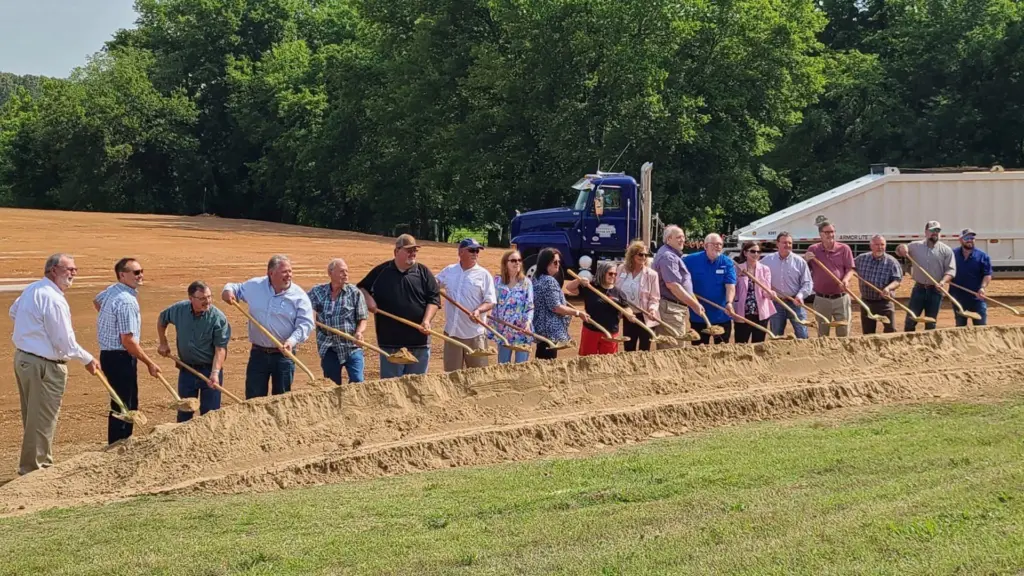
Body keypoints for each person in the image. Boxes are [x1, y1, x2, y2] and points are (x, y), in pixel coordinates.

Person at [10, 254, 100, 475]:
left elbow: (14, 312)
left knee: (33, 417)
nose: (73, 273)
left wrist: (33, 331)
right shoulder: (53, 298)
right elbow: (64, 341)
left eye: (75, 270)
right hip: (43, 365)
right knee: (42, 418)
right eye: (68, 269)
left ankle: (36, 464)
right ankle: (36, 469)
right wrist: (87, 358)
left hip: (25, 359)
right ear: (52, 270)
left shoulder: (33, 289)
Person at [221, 255, 314, 398]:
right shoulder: (255, 286)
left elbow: (306, 324)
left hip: (284, 356)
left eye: (290, 271)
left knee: (281, 400)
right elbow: (235, 287)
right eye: (284, 272)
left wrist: (291, 341)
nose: (289, 275)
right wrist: (228, 291)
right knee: (253, 399)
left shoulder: (299, 296)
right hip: (258, 354)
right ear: (271, 273)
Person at [94, 257, 161, 444]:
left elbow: (97, 301)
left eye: (141, 271)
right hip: (121, 357)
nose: (141, 276)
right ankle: (120, 443)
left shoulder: (113, 290)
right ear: (122, 275)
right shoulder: (127, 302)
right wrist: (149, 363)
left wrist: (109, 322)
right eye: (136, 272)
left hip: (108, 354)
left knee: (119, 401)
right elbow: (128, 341)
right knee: (126, 405)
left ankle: (117, 443)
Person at [357, 234, 440, 378]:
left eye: (415, 250)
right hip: (391, 343)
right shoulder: (381, 271)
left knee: (417, 387)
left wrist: (426, 320)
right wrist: (368, 300)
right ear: (396, 252)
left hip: (419, 341)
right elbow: (361, 288)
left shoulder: (424, 272)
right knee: (391, 387)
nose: (412, 253)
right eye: (408, 250)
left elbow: (434, 299)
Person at [156, 281, 231, 420]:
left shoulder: (218, 318)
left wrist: (215, 373)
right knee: (184, 413)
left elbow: (220, 349)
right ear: (191, 298)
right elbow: (162, 319)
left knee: (210, 415)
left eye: (209, 297)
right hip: (186, 371)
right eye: (202, 298)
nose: (207, 301)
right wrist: (163, 343)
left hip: (209, 371)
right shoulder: (179, 310)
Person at [436, 238, 497, 372]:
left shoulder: (484, 275)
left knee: (478, 375)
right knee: (451, 376)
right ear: (460, 252)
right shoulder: (449, 271)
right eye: (471, 250)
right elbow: (434, 284)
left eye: (477, 250)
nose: (475, 253)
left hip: (475, 335)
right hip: (453, 333)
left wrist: (478, 310)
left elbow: (490, 301)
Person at [308, 258, 369, 385]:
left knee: (358, 381)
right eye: (341, 271)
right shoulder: (318, 292)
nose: (346, 274)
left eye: (347, 271)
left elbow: (363, 318)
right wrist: (311, 316)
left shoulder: (355, 293)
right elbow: (303, 306)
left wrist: (359, 332)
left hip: (351, 345)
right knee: (332, 384)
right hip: (329, 346)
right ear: (330, 273)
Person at [895, 220, 955, 331]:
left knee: (931, 323)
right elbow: (898, 250)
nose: (935, 233)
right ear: (926, 232)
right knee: (910, 320)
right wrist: (901, 247)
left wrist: (942, 281)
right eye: (932, 230)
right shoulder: (915, 246)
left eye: (937, 230)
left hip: (936, 291)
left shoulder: (946, 250)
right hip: (919, 289)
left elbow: (951, 271)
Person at [531, 248, 590, 359]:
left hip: (541, 328)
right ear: (546, 263)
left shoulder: (536, 278)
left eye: (559, 262)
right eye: (555, 262)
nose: (558, 264)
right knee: (548, 364)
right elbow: (556, 307)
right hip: (550, 332)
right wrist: (578, 312)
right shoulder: (549, 281)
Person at [650, 225, 703, 348]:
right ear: (668, 239)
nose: (682, 240)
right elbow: (673, 285)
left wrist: (692, 299)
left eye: (683, 237)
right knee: (673, 348)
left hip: (673, 309)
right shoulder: (668, 257)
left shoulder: (671, 255)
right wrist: (694, 305)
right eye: (678, 237)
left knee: (675, 346)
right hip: (670, 310)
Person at [566, 261, 630, 356]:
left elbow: (626, 308)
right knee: (587, 360)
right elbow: (569, 288)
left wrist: (629, 314)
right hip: (591, 330)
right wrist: (579, 280)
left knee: (608, 362)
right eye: (610, 273)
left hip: (610, 333)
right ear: (602, 273)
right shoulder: (590, 287)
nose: (613, 276)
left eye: (615, 274)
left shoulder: (618, 293)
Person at [683, 233, 736, 345]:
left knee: (722, 350)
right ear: (705, 246)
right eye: (714, 244)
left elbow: (730, 285)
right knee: (699, 349)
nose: (718, 247)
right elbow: (682, 281)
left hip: (722, 315)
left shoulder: (727, 262)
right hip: (699, 315)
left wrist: (729, 302)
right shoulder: (690, 261)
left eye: (720, 244)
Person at [805, 219, 855, 337]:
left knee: (844, 331)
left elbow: (850, 269)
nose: (830, 235)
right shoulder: (813, 249)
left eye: (832, 231)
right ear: (820, 234)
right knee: (822, 333)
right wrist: (805, 260)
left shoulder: (844, 248)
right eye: (827, 232)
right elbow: (805, 270)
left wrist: (846, 280)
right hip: (822, 298)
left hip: (841, 297)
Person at [761, 231, 812, 339]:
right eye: (784, 242)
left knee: (802, 335)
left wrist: (800, 296)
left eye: (789, 243)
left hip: (795, 303)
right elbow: (759, 277)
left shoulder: (800, 261)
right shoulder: (767, 261)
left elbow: (807, 282)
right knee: (776, 336)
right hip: (776, 303)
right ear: (777, 244)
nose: (787, 245)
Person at [615, 240, 661, 352]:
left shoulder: (652, 275)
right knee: (628, 349)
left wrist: (652, 310)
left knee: (644, 350)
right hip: (628, 316)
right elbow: (615, 290)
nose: (643, 257)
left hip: (645, 317)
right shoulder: (621, 269)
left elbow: (655, 298)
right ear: (632, 255)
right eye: (640, 254)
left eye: (646, 255)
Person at [489, 249, 534, 364]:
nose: (517, 263)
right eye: (513, 260)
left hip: (522, 332)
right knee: (503, 367)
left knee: (521, 367)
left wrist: (528, 323)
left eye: (519, 260)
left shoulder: (526, 282)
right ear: (505, 263)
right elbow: (491, 302)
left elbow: (529, 306)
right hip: (503, 332)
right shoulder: (497, 281)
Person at [853, 235, 903, 334]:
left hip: (884, 302)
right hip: (866, 302)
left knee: (890, 330)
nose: (880, 247)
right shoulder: (861, 259)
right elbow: (850, 268)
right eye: (877, 244)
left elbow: (897, 281)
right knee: (868, 333)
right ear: (871, 246)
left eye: (882, 244)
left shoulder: (892, 262)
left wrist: (888, 288)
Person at [732, 241, 776, 343]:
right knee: (741, 343)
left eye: (758, 252)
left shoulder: (765, 269)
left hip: (760, 312)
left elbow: (766, 291)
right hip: (742, 313)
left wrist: (770, 294)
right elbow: (733, 289)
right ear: (745, 253)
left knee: (758, 344)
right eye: (753, 251)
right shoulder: (737, 268)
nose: (756, 254)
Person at [949, 228, 992, 327]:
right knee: (960, 328)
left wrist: (982, 287)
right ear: (960, 240)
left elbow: (987, 274)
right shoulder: (952, 255)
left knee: (981, 328)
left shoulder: (983, 256)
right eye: (967, 238)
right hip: (957, 298)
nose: (970, 240)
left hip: (977, 298)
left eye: (972, 237)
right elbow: (946, 270)